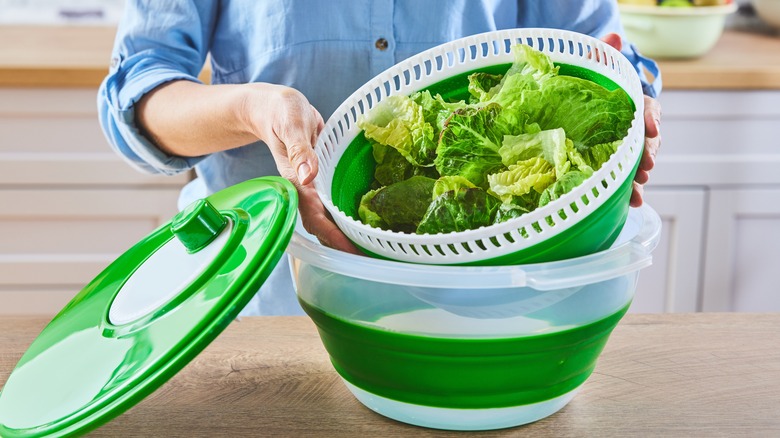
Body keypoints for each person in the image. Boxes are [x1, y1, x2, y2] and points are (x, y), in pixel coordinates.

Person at [98, 0, 662, 316]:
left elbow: (603, 51)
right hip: (267, 295)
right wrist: (254, 109)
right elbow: (139, 93)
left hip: (484, 301)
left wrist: (633, 103)